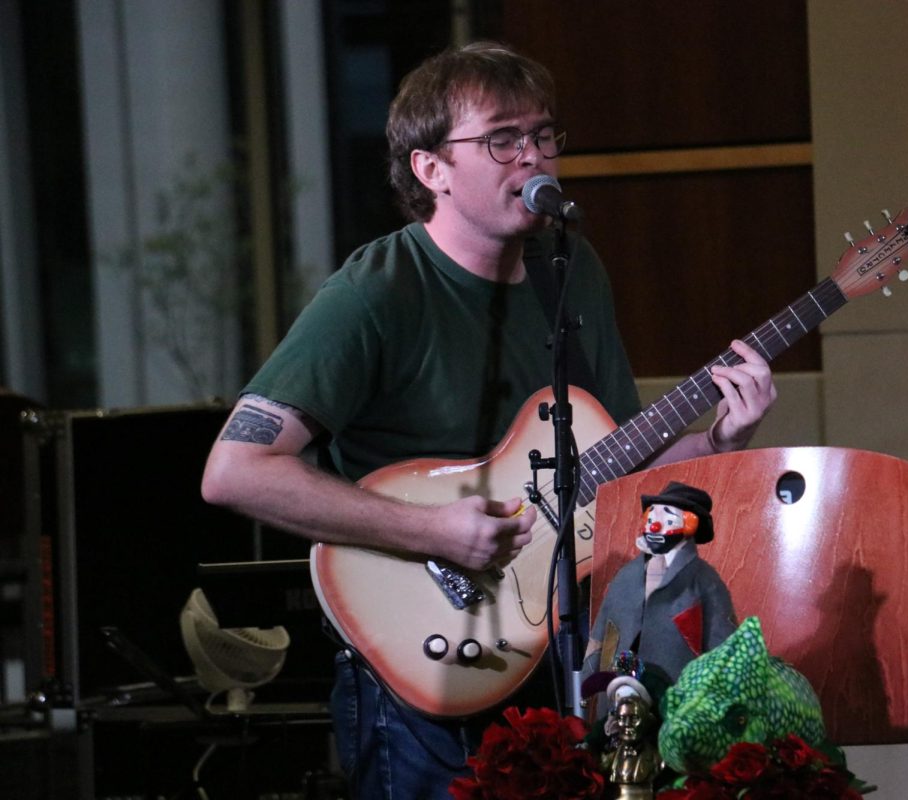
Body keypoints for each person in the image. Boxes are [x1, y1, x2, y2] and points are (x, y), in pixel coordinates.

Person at [201, 41, 777, 800]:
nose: (532, 157)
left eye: (542, 136)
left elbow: (618, 466)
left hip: (557, 651)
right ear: (429, 168)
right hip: (421, 672)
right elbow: (234, 471)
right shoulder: (378, 292)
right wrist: (434, 533)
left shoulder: (572, 271)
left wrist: (718, 442)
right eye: (502, 139)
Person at [582, 481, 736, 684]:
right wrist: (587, 680)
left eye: (668, 518)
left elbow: (723, 643)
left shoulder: (704, 580)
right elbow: (601, 633)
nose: (655, 525)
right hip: (619, 689)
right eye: (652, 517)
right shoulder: (627, 575)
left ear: (689, 524)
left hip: (676, 690)